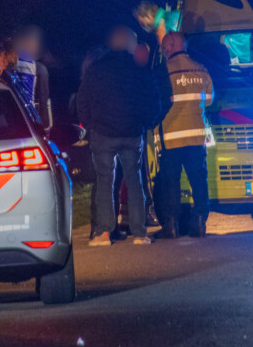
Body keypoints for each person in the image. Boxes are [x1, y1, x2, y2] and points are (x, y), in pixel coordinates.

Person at [77, 26, 162, 246]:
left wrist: (91, 125)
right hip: (133, 133)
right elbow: (153, 99)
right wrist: (144, 124)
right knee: (135, 181)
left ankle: (104, 232)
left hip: (103, 133)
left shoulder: (96, 69)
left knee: (105, 181)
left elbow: (82, 100)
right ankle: (140, 233)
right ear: (128, 44)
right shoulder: (138, 68)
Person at [153, 32, 215, 238]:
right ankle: (199, 223)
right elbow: (209, 101)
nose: (162, 51)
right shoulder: (201, 69)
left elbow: (157, 103)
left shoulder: (163, 71)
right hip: (197, 136)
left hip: (170, 137)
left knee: (170, 182)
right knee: (199, 180)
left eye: (163, 47)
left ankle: (171, 226)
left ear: (170, 46)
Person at [13, 25, 52, 129]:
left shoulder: (6, 65)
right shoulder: (39, 68)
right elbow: (44, 103)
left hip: (14, 119)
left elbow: (44, 103)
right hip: (27, 120)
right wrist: (46, 128)